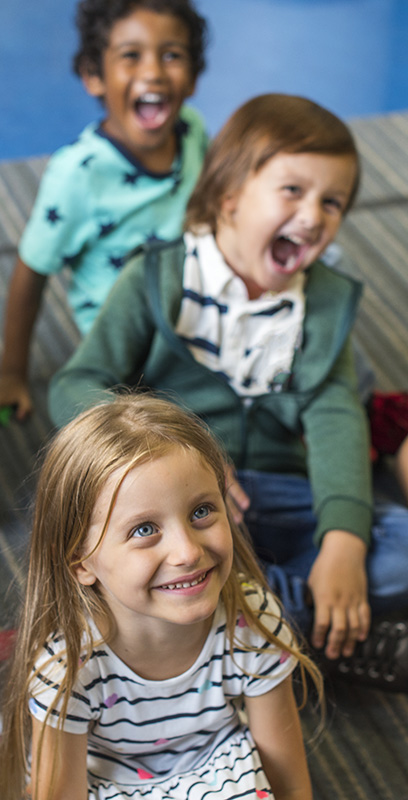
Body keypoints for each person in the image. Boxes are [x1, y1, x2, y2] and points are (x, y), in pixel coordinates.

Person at [49, 93, 408, 689]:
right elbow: (75, 385)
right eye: (292, 191)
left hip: (276, 494)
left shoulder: (321, 304)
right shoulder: (157, 279)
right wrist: (166, 451)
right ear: (228, 196)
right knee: (84, 538)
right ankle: (318, 631)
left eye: (332, 201)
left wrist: (342, 544)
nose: (315, 215)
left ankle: (245, 620)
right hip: (172, 505)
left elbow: (338, 418)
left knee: (392, 546)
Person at [0, 394, 320, 800]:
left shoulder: (250, 618)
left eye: (201, 511)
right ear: (81, 561)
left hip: (214, 768)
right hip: (109, 781)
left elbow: (287, 780)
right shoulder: (68, 668)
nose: (187, 552)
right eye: (144, 530)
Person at [0, 0, 209, 420]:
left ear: (194, 77)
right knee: (126, 430)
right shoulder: (78, 174)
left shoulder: (195, 130)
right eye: (131, 56)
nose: (153, 72)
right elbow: (31, 271)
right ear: (94, 76)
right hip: (125, 349)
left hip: (196, 312)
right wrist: (11, 374)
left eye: (172, 55)